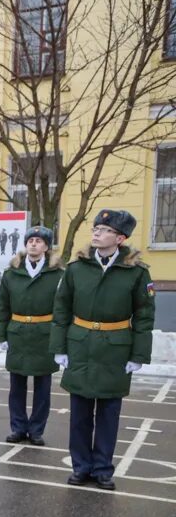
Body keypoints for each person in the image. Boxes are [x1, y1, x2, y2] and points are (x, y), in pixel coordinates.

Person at [51, 209, 155, 491]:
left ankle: (102, 470)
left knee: (109, 414)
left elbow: (144, 316)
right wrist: (59, 347)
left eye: (104, 229)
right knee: (80, 414)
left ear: (120, 238)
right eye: (96, 227)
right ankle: (81, 467)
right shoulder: (76, 268)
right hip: (81, 344)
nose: (96, 232)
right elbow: (61, 310)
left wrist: (138, 355)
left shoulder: (136, 272)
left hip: (115, 348)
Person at [0, 226, 63, 447]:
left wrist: (60, 340)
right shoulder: (12, 273)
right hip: (18, 334)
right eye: (30, 240)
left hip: (45, 334)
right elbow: (2, 306)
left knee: (43, 387)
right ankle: (18, 427)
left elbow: (63, 309)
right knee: (17, 387)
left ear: (46, 247)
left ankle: (37, 430)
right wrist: (1, 334)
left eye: (39, 241)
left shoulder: (58, 275)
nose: (34, 244)